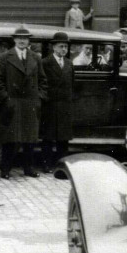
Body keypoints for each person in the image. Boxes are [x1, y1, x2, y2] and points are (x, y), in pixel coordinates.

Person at [0, 26, 47, 179]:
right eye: (19, 38)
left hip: (30, 103)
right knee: (10, 139)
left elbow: (43, 80)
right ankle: (6, 169)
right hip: (13, 102)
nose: (22, 41)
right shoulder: (4, 57)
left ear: (29, 40)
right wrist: (6, 99)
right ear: (14, 39)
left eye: (25, 38)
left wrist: (39, 98)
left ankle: (28, 169)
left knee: (30, 139)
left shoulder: (35, 57)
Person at [41, 31, 73, 173]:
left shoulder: (69, 63)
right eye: (61, 46)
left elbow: (72, 83)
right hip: (51, 105)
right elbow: (42, 83)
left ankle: (62, 166)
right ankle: (46, 164)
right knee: (48, 138)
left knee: (63, 139)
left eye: (65, 47)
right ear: (54, 47)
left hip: (65, 106)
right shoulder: (45, 63)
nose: (63, 50)